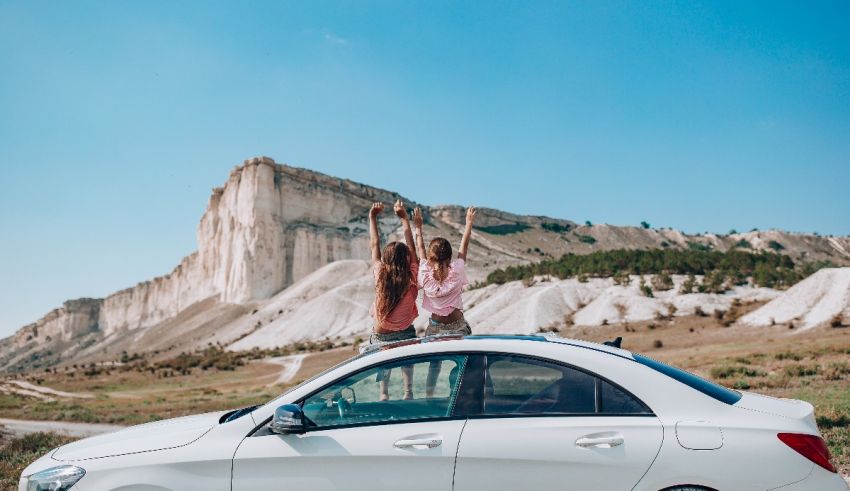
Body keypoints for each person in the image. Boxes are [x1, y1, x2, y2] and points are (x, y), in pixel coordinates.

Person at [412, 206, 476, 397]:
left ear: (430, 259)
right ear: (449, 257)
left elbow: (420, 248)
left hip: (435, 327)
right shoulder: (456, 270)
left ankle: (429, 397)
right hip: (458, 326)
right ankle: (461, 395)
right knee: (466, 364)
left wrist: (418, 227)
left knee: (434, 366)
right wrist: (468, 224)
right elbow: (463, 250)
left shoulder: (424, 273)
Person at [368, 200, 419, 400]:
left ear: (386, 259)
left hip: (383, 333)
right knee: (407, 360)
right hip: (405, 330)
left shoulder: (380, 272)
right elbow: (412, 247)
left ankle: (384, 393)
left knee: (383, 361)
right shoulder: (412, 275)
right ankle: (408, 391)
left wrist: (372, 217)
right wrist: (405, 219)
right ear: (406, 259)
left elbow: (374, 244)